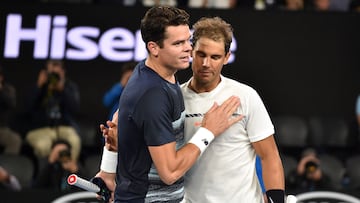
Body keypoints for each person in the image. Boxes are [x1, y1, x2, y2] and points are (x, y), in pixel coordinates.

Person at [95, 6, 242, 203]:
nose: (188, 48)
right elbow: (170, 172)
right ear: (154, 48)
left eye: (187, 40)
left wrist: (108, 172)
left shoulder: (155, 72)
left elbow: (117, 119)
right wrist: (208, 131)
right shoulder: (153, 96)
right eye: (178, 43)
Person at [180, 16, 285, 202]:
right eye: (201, 54)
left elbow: (269, 156)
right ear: (191, 52)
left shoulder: (246, 96)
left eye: (215, 57)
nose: (206, 64)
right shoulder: (174, 99)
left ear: (226, 58)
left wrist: (277, 200)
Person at [25, 59, 81, 163]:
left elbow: (75, 109)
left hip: (64, 126)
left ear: (63, 72)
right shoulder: (38, 85)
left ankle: (69, 172)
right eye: (51, 73)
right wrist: (39, 86)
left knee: (75, 141)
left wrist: (62, 89)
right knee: (43, 145)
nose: (53, 77)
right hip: (40, 128)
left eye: (57, 73)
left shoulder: (69, 87)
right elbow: (27, 108)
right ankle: (48, 174)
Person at [0, 64, 22, 155]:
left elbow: (11, 104)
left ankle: (6, 166)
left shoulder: (7, 89)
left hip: (1, 129)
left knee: (15, 139)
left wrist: (0, 91)